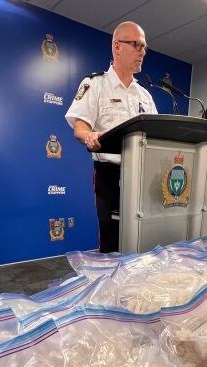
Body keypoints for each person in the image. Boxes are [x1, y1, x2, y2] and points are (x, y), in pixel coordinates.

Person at [65, 21, 158, 253]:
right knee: (112, 238)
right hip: (111, 175)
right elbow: (80, 126)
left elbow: (156, 136)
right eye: (137, 45)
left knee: (142, 238)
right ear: (117, 47)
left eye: (144, 47)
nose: (142, 52)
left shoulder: (145, 95)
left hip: (143, 177)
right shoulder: (95, 84)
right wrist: (89, 136)